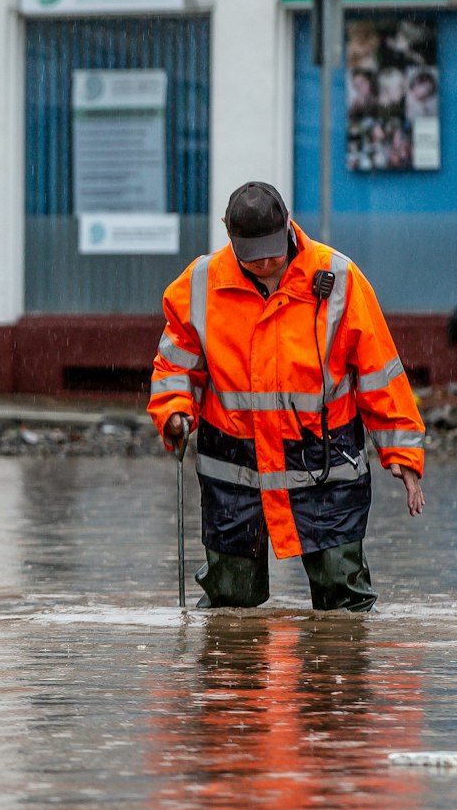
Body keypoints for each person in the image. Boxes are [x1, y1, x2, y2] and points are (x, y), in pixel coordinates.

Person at [149, 181, 426, 611]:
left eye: (272, 253)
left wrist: (404, 457)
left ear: (289, 226)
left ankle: (341, 675)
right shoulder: (200, 285)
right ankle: (229, 676)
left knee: (343, 599)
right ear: (228, 235)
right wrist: (173, 412)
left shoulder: (339, 281)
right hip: (234, 470)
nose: (264, 264)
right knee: (230, 603)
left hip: (325, 467)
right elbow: (175, 366)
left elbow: (379, 373)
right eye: (252, 255)